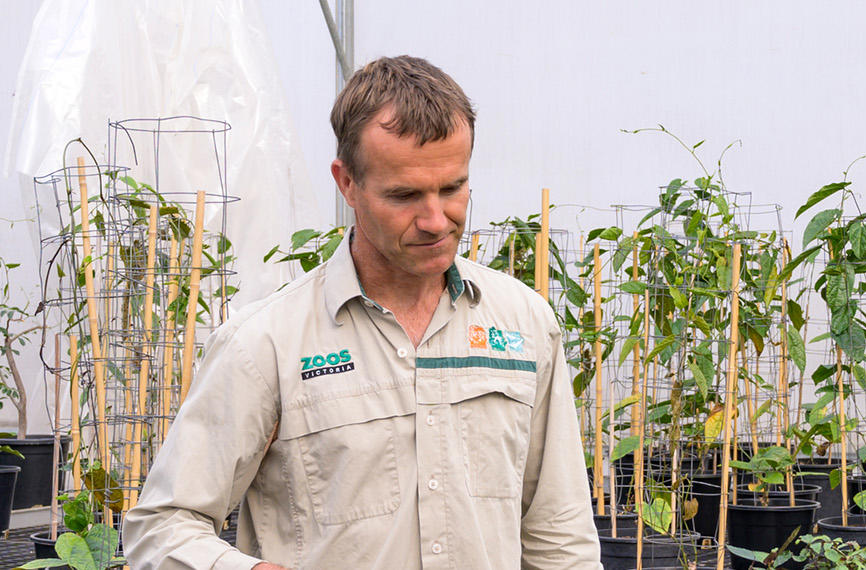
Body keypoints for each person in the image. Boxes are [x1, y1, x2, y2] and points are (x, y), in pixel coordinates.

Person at [123, 55, 599, 569]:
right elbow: (163, 526)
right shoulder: (266, 344)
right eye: (404, 195)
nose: (436, 220)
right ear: (346, 182)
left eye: (453, 187)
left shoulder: (523, 324)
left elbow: (559, 535)